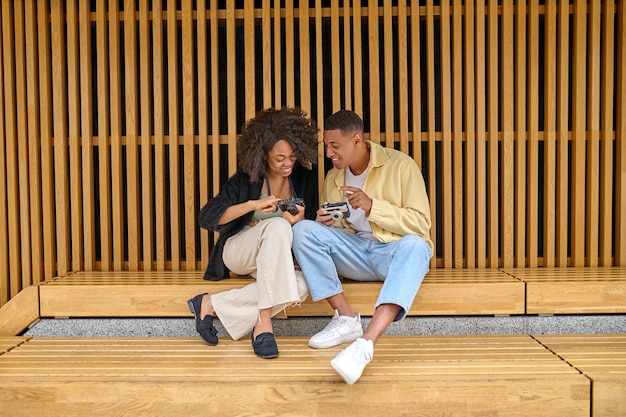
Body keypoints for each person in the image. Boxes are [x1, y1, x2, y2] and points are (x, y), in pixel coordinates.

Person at [291, 109, 433, 384]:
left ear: (356, 140)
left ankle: (365, 344)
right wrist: (327, 224)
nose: (330, 153)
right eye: (327, 147)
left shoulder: (400, 165)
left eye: (335, 146)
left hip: (391, 253)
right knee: (305, 230)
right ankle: (345, 318)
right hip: (355, 251)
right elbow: (341, 228)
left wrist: (372, 206)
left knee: (417, 247)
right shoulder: (333, 177)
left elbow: (421, 224)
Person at [188, 107, 319, 359]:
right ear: (264, 153)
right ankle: (263, 324)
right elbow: (207, 216)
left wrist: (300, 222)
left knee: (302, 284)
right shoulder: (248, 178)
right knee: (277, 225)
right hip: (239, 251)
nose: (288, 163)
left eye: (292, 156)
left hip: (273, 257)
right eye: (280, 157)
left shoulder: (303, 178)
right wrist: (253, 206)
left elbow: (308, 221)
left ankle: (209, 304)